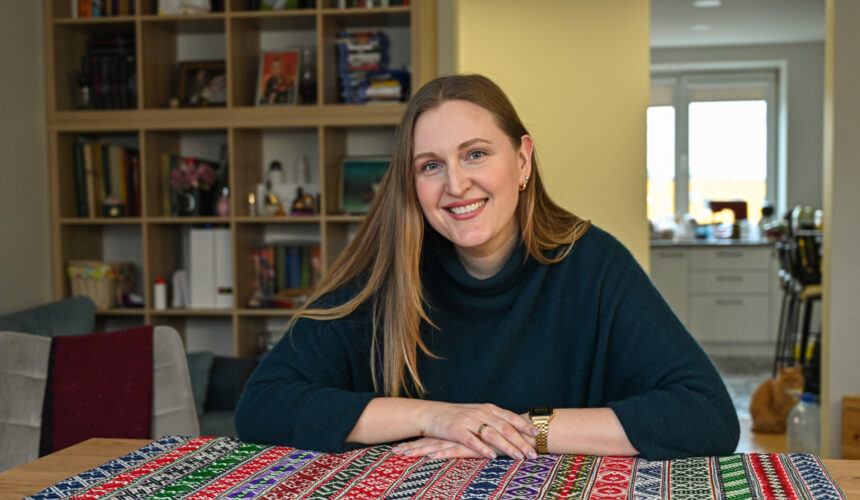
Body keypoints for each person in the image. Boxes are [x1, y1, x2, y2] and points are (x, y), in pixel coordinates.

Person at [235, 74, 740, 461]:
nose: (455, 185)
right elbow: (264, 405)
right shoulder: (386, 272)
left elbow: (706, 415)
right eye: (431, 165)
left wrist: (518, 431)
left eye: (475, 154)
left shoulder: (594, 264)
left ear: (522, 161)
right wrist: (436, 418)